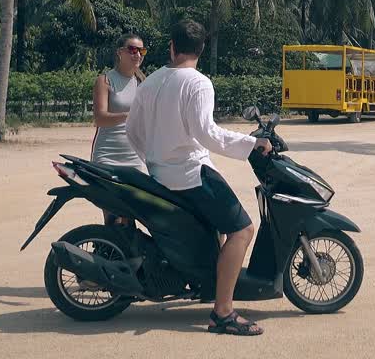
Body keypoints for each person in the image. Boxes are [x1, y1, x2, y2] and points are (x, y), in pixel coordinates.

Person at [125, 19, 272, 337]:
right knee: (242, 230)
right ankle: (223, 312)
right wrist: (252, 143)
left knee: (219, 228)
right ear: (201, 49)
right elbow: (206, 133)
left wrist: (153, 160)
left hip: (160, 175)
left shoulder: (150, 82)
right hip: (191, 175)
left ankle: (213, 286)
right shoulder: (198, 83)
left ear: (172, 47)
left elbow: (132, 130)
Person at [90, 33, 148, 224]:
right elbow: (100, 119)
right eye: (132, 49)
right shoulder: (105, 80)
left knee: (130, 218)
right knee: (112, 218)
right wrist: (129, 115)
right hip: (107, 155)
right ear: (119, 53)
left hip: (133, 157)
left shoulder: (143, 83)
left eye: (141, 51)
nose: (137, 54)